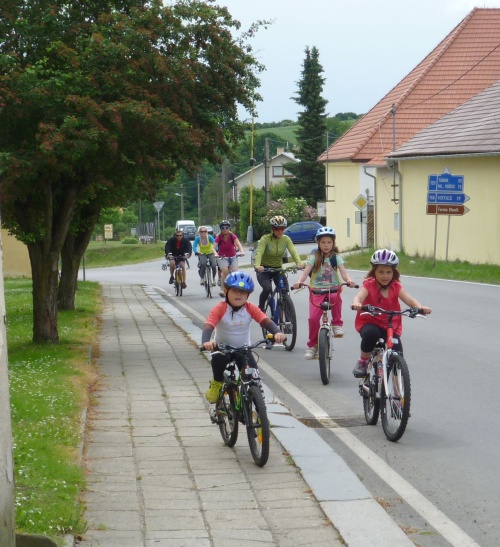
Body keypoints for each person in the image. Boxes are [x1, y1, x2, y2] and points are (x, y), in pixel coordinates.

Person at [201, 271, 286, 403]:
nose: (239, 295)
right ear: (225, 291)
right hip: (223, 348)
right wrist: (206, 342)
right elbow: (209, 325)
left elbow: (264, 320)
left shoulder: (249, 308)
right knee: (218, 360)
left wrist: (277, 332)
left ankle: (259, 414)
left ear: (248, 295)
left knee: (255, 379)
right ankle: (217, 383)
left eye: (243, 292)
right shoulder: (220, 308)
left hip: (244, 349)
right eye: (235, 291)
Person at [350, 249, 432, 377]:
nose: (385, 276)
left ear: (394, 272)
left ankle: (397, 389)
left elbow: (409, 300)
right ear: (374, 272)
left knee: (397, 353)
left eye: (388, 272)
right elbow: (359, 297)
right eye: (381, 272)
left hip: (389, 325)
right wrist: (357, 303)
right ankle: (363, 361)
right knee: (371, 333)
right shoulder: (369, 285)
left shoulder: (395, 286)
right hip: (370, 320)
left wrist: (420, 307)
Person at [293, 227, 356, 359]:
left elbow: (344, 273)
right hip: (316, 290)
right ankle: (312, 346)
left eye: (329, 242)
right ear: (318, 243)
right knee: (313, 319)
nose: (326, 245)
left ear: (333, 243)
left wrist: (349, 280)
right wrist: (299, 282)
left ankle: (337, 324)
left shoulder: (336, 258)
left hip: (333, 288)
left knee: (335, 297)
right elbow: (305, 274)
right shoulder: (313, 258)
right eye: (323, 242)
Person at [253, 215, 304, 311]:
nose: (280, 231)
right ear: (272, 229)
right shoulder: (265, 239)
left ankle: (286, 312)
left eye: (282, 229)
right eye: (277, 229)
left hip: (277, 268)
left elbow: (293, 251)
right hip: (264, 269)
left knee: (285, 289)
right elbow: (259, 253)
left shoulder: (286, 239)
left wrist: (299, 263)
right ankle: (261, 308)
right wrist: (257, 266)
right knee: (267, 289)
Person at [214, 220, 245, 297]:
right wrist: (215, 253)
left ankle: (236, 288)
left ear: (229, 228)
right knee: (225, 271)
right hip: (222, 257)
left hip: (233, 256)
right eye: (223, 228)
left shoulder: (232, 236)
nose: (225, 229)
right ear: (221, 229)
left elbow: (238, 244)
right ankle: (223, 289)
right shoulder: (219, 237)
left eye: (226, 227)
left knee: (234, 271)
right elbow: (213, 248)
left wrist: (241, 251)